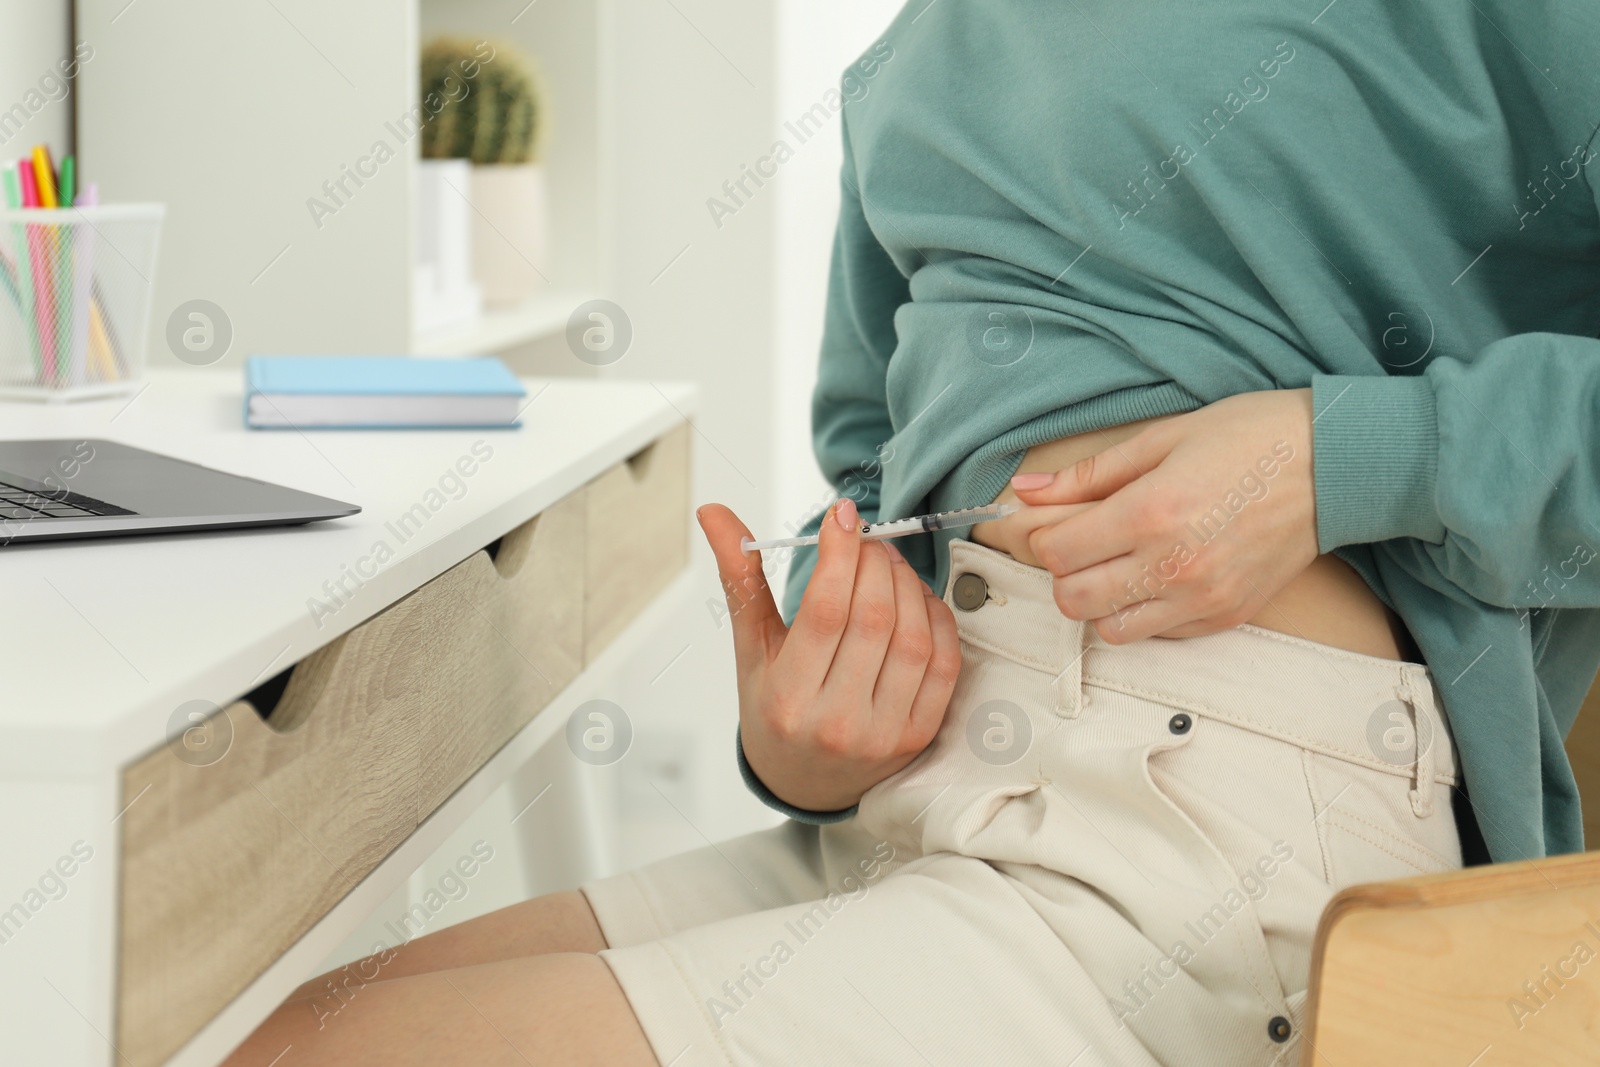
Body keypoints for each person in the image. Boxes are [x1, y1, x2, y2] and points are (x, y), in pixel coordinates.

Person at [227, 2, 1600, 1063]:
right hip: (932, 799)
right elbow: (876, 482)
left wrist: (1338, 459)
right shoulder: (916, 58)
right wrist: (810, 738)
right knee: (277, 1029)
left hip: (1217, 851)